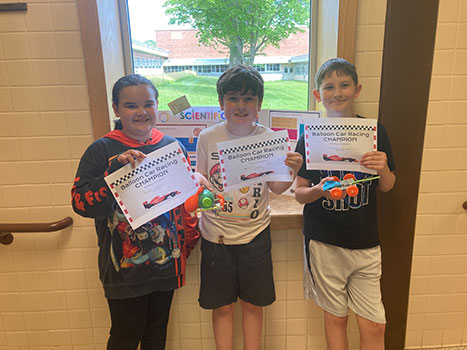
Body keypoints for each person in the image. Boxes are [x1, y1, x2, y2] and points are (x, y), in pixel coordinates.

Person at [71, 74, 200, 350]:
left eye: (148, 104)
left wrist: (189, 238)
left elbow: (182, 204)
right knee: (125, 338)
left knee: (156, 338)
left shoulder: (171, 146)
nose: (141, 112)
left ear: (156, 106)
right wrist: (114, 172)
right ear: (116, 109)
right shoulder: (101, 150)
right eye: (131, 106)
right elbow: (80, 203)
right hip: (124, 270)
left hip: (165, 265)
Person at [195, 64, 303, 350]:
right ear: (221, 102)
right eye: (233, 98)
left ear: (259, 104)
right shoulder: (208, 138)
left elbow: (276, 189)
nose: (240, 105)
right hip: (215, 236)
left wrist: (293, 169)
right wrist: (200, 185)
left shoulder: (269, 138)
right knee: (223, 307)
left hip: (255, 236)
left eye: (248, 99)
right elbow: (202, 184)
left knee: (254, 305)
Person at [294, 57, 396, 350]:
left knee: (374, 326)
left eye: (344, 85)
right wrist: (319, 191)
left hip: (365, 241)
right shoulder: (309, 138)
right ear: (318, 95)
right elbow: (299, 193)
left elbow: (388, 186)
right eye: (329, 87)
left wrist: (383, 168)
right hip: (324, 242)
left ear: (357, 89)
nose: (337, 92)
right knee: (336, 319)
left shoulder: (376, 132)